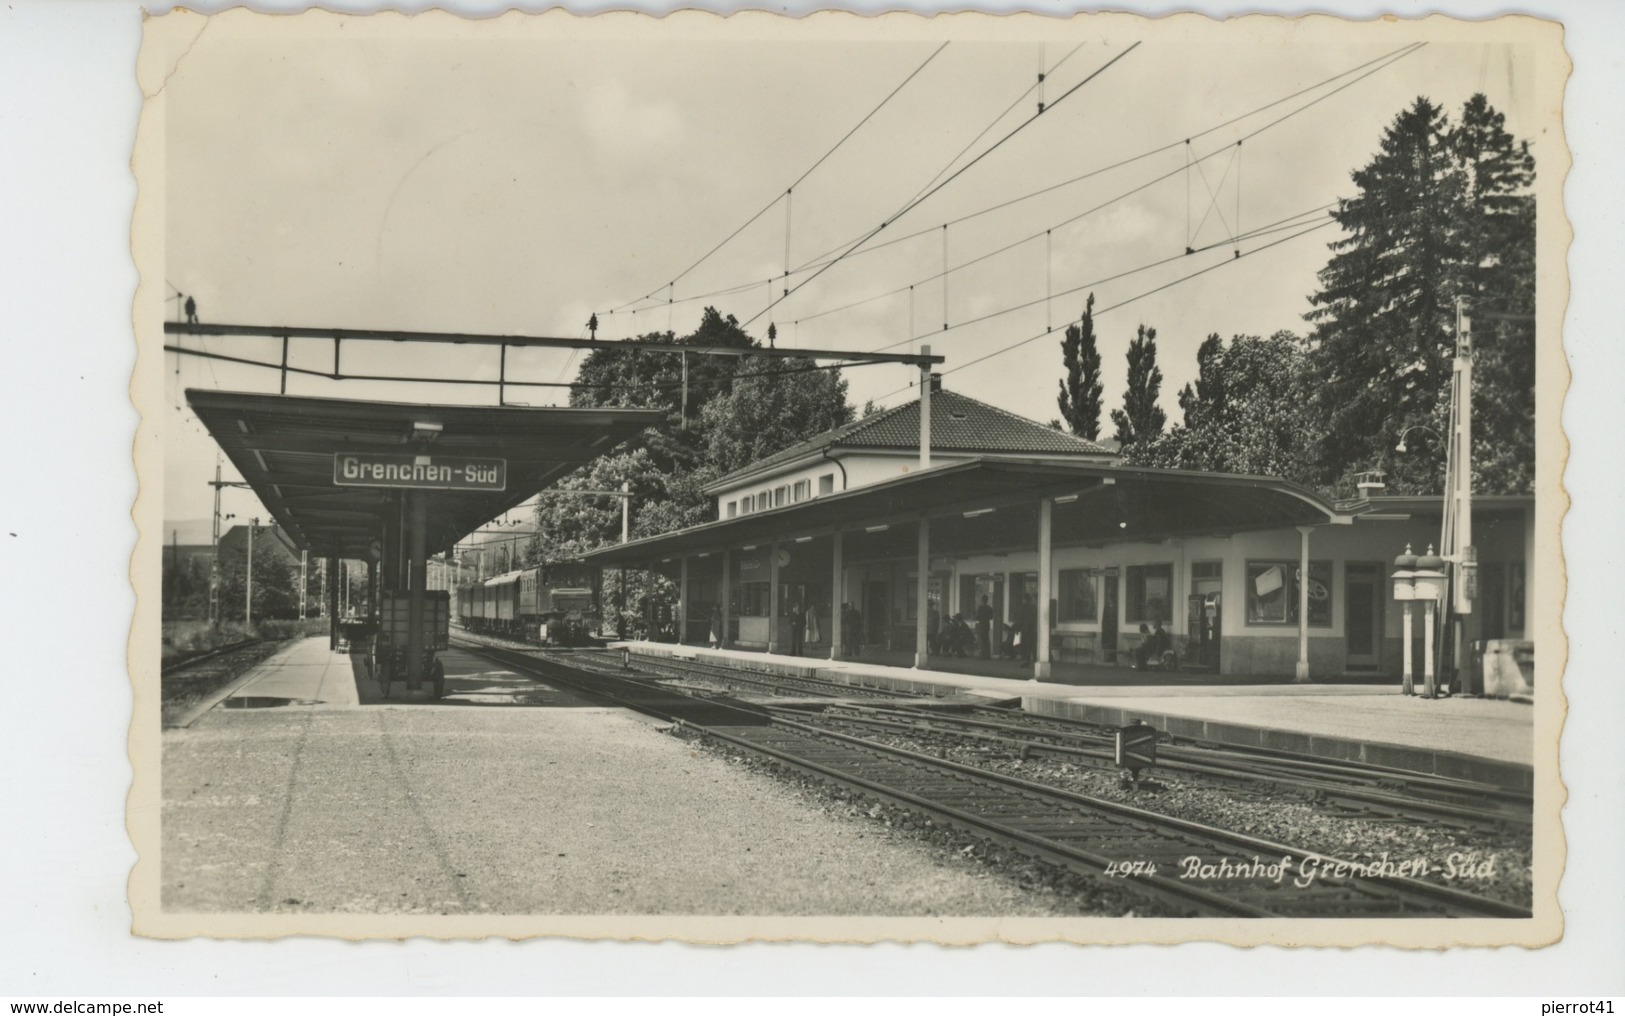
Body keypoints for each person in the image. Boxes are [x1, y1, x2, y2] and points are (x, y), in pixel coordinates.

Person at [1018, 594, 1038, 664]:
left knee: (1025, 645)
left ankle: (1026, 660)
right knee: (1033, 645)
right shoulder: (1034, 608)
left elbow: (1019, 618)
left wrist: (1017, 628)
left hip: (1024, 629)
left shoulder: (1022, 607)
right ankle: (1036, 660)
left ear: (1024, 599)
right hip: (1033, 629)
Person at [975, 595, 994, 659]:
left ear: (982, 600)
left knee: (982, 640)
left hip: (981, 625)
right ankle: (987, 655)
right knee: (987, 640)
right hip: (987, 625)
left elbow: (977, 617)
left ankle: (982, 655)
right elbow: (991, 617)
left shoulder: (980, 608)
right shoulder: (989, 608)